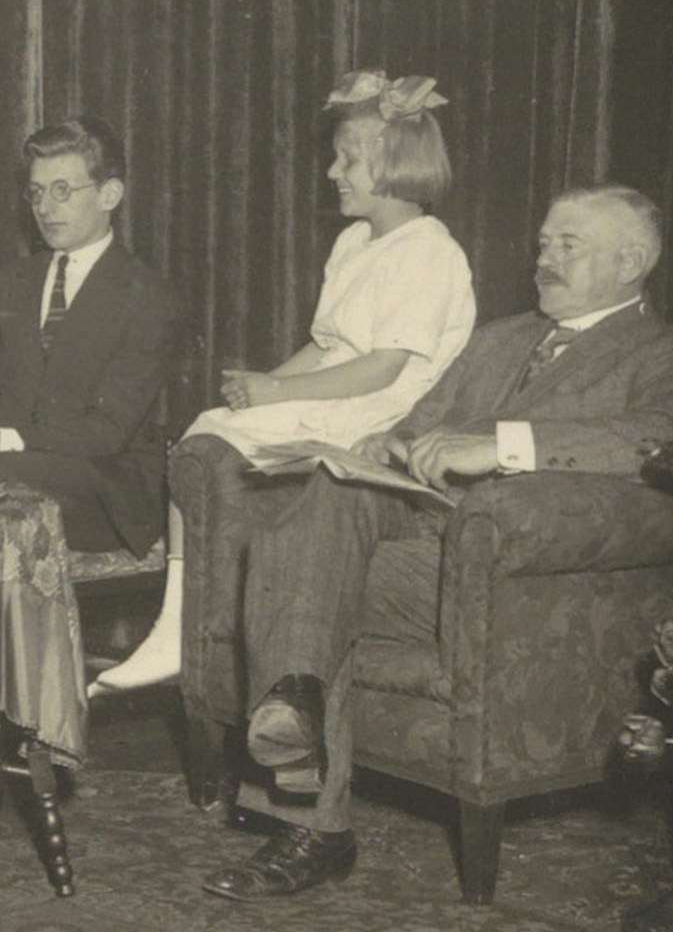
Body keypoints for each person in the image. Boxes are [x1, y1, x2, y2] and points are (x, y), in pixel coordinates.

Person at [206, 186, 673, 900]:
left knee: (298, 576)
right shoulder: (498, 339)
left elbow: (661, 435)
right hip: (418, 532)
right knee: (323, 503)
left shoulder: (670, 349)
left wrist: (502, 446)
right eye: (543, 242)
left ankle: (307, 809)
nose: (544, 258)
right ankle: (296, 715)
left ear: (631, 262)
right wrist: (386, 444)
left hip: (505, 569)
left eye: (568, 245)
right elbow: (418, 423)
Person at [95, 71, 476, 694]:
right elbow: (325, 346)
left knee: (208, 436)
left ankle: (176, 627)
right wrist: (265, 384)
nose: (332, 172)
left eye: (347, 159)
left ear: (394, 164)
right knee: (208, 426)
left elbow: (382, 368)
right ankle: (179, 616)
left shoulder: (430, 251)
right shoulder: (354, 241)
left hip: (381, 409)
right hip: (337, 388)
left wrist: (277, 395)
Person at [0, 114, 182, 557]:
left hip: (101, 488)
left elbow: (107, 430)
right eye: (37, 192)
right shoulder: (11, 282)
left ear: (109, 194)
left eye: (62, 191)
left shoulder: (147, 296)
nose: (44, 208)